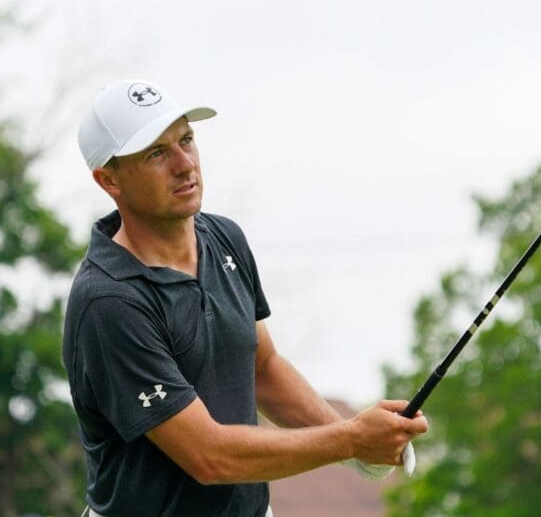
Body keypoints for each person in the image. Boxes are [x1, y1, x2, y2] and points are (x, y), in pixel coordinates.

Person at [62, 79, 428, 517]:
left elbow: (263, 366)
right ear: (109, 180)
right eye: (156, 154)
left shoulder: (224, 239)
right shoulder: (109, 302)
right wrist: (349, 440)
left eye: (187, 140)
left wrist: (356, 445)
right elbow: (209, 457)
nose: (184, 165)